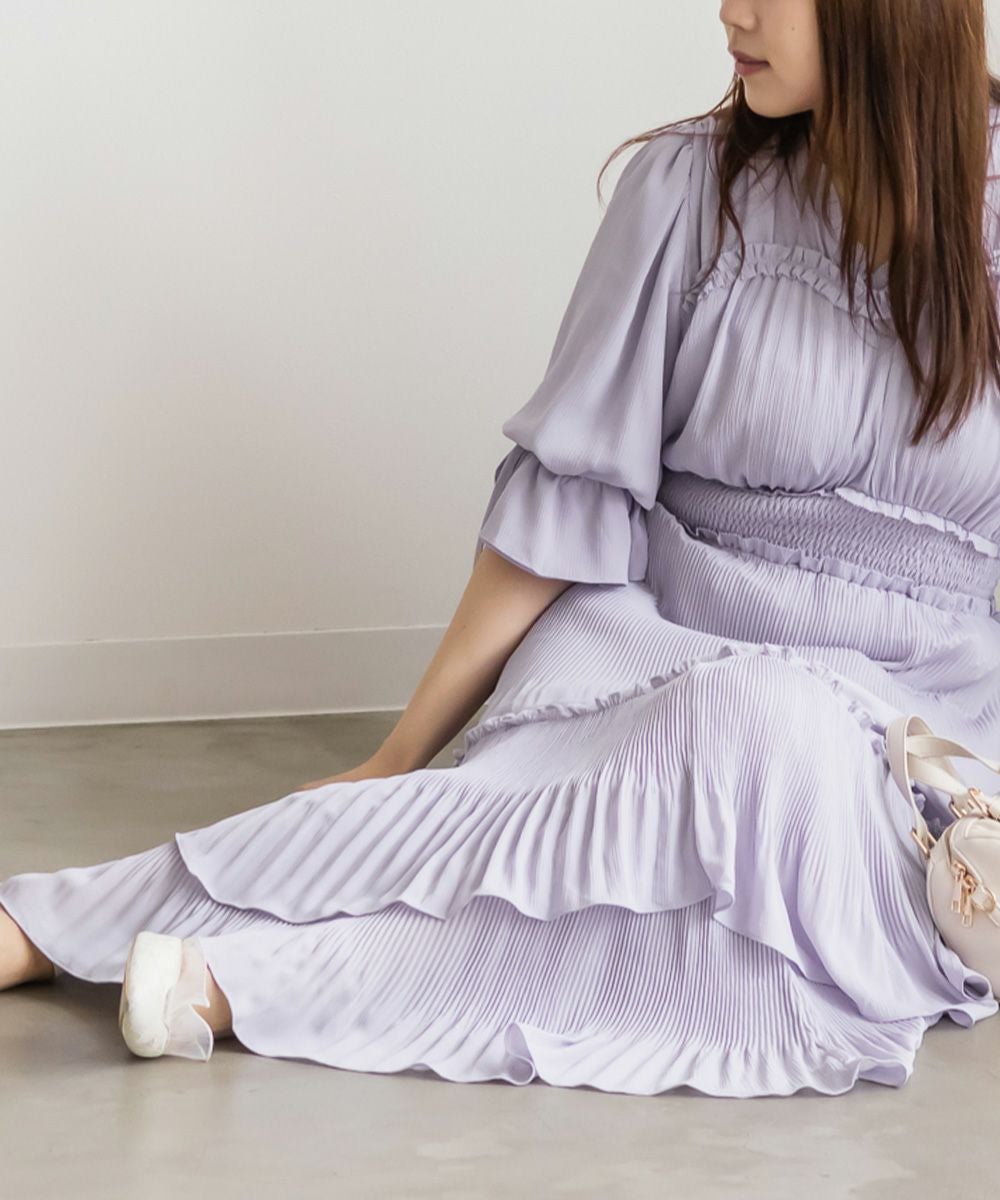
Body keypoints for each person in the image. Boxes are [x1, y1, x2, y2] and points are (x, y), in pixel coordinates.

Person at [3, 0, 1000, 1098]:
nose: (732, 11)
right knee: (678, 769)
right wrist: (397, 757)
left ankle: (247, 980)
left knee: (767, 804)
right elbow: (567, 497)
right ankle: (69, 926)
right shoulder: (686, 190)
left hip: (919, 726)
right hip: (653, 653)